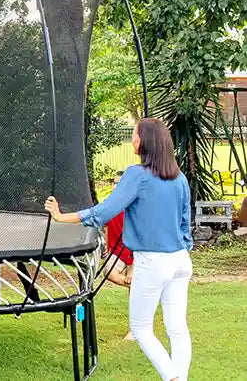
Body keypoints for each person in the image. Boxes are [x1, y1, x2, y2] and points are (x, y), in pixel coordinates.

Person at [45, 118, 193, 381]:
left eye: (135, 135)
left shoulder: (136, 175)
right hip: (181, 261)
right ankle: (179, 377)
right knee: (177, 328)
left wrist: (61, 217)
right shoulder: (179, 178)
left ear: (145, 142)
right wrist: (183, 251)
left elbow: (104, 212)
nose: (133, 140)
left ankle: (174, 378)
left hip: (153, 262)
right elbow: (184, 224)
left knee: (140, 328)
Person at [103, 170, 135, 340]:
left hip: (137, 254)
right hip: (118, 253)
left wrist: (133, 268)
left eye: (119, 183)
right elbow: (106, 227)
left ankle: (134, 330)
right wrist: (107, 248)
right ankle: (138, 287)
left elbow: (143, 238)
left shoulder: (136, 206)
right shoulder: (109, 204)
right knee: (108, 271)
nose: (116, 185)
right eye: (114, 182)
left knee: (134, 281)